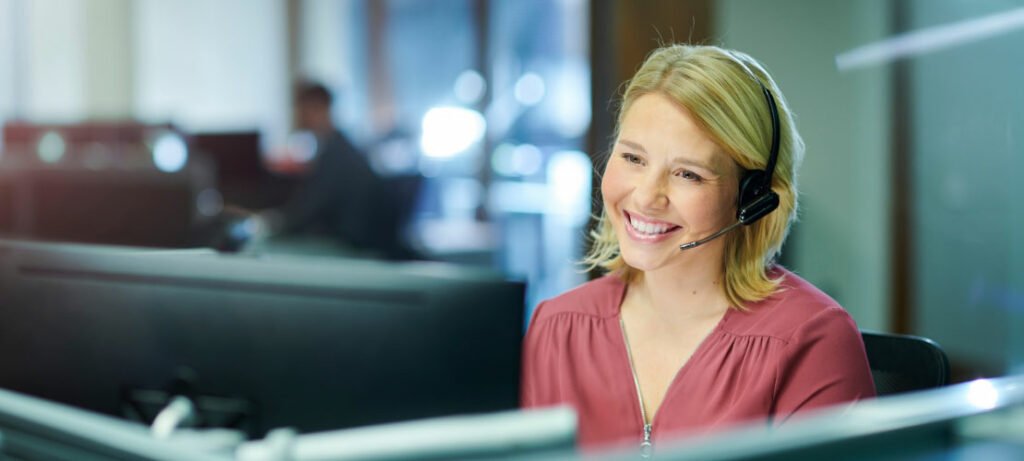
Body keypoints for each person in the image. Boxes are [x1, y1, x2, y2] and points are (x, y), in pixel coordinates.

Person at [520, 44, 875, 454]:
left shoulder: (812, 341)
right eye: (633, 158)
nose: (647, 197)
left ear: (751, 197)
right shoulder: (557, 327)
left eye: (687, 174)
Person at [264, 81, 410, 259]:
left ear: (318, 108)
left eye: (300, 108)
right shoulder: (338, 147)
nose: (297, 115)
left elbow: (310, 209)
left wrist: (270, 222)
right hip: (355, 240)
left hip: (351, 246)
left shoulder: (336, 155)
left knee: (270, 251)